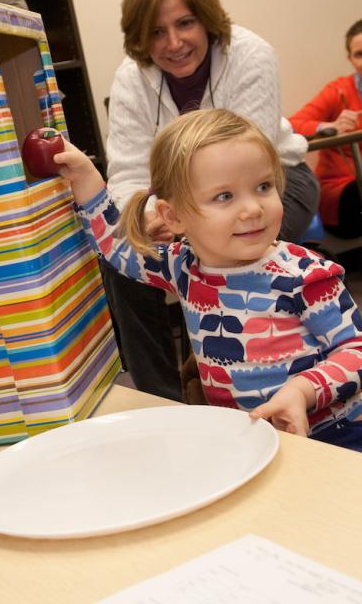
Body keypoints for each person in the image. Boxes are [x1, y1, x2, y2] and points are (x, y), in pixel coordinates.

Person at [56, 108, 362, 450]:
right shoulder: (183, 266)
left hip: (330, 435)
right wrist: (84, 177)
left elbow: (355, 349)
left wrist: (302, 391)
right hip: (242, 437)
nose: (252, 209)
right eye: (225, 196)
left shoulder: (305, 275)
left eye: (263, 186)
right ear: (173, 217)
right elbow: (116, 249)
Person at [103, 0, 319, 401]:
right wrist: (150, 218)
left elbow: (249, 166)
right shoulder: (130, 79)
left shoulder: (251, 54)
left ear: (208, 19)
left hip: (271, 182)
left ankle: (253, 375)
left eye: (185, 23)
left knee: (227, 253)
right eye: (157, 31)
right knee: (123, 262)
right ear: (140, 37)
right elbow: (125, 175)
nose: (174, 42)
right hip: (175, 205)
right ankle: (159, 398)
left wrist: (187, 225)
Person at [289, 19, 362, 238]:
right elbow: (292, 123)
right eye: (359, 54)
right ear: (350, 59)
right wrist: (330, 126)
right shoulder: (338, 91)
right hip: (343, 193)